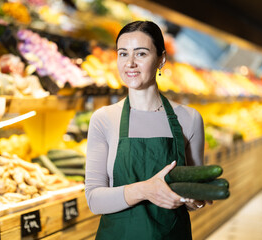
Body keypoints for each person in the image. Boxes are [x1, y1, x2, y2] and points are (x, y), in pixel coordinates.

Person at [85, 20, 209, 240]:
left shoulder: (189, 119)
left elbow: (194, 198)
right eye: (123, 54)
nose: (130, 63)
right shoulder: (104, 119)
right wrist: (146, 189)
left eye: (141, 54)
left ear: (161, 59)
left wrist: (194, 199)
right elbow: (94, 200)